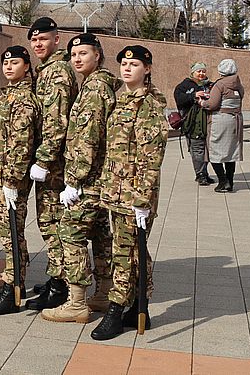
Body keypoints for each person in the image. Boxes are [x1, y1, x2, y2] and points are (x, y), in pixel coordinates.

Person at [91, 45, 168, 341]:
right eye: (123, 64)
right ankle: (138, 305)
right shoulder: (120, 100)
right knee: (134, 251)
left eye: (134, 64)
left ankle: (116, 309)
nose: (126, 68)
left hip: (134, 195)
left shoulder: (149, 105)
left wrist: (142, 199)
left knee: (125, 253)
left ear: (147, 69)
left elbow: (151, 157)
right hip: (116, 191)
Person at [42, 33, 118, 323]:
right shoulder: (96, 85)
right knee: (100, 235)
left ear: (97, 55)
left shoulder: (95, 89)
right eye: (73, 54)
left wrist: (73, 181)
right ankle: (103, 293)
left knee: (70, 233)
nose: (76, 59)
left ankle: (76, 302)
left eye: (83, 53)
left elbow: (87, 139)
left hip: (88, 181)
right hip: (100, 180)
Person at [0, 46, 40, 316]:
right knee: (7, 232)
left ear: (26, 66)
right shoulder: (8, 96)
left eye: (15, 63)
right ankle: (17, 283)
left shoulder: (23, 99)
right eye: (6, 63)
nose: (8, 67)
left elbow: (21, 144)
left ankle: (12, 290)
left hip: (11, 180)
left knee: (11, 234)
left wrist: (13, 180)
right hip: (1, 177)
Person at [25, 16, 77, 311]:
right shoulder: (46, 70)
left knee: (52, 222)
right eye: (34, 40)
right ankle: (57, 277)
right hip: (51, 163)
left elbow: (57, 122)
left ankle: (60, 286)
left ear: (57, 40)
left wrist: (44, 161)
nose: (38, 44)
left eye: (43, 39)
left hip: (54, 167)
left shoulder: (56, 72)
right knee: (50, 222)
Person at [200, 58, 245, 193]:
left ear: (221, 71)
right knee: (231, 152)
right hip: (235, 120)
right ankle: (230, 182)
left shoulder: (219, 85)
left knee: (214, 151)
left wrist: (202, 103)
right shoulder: (238, 85)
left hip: (220, 120)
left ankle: (222, 181)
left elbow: (212, 104)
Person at [174, 62, 214, 186]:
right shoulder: (184, 86)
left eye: (203, 71)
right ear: (193, 72)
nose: (201, 74)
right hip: (192, 124)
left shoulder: (209, 85)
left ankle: (204, 173)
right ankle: (200, 174)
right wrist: (193, 96)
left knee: (207, 148)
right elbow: (179, 100)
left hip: (208, 122)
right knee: (197, 149)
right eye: (199, 71)